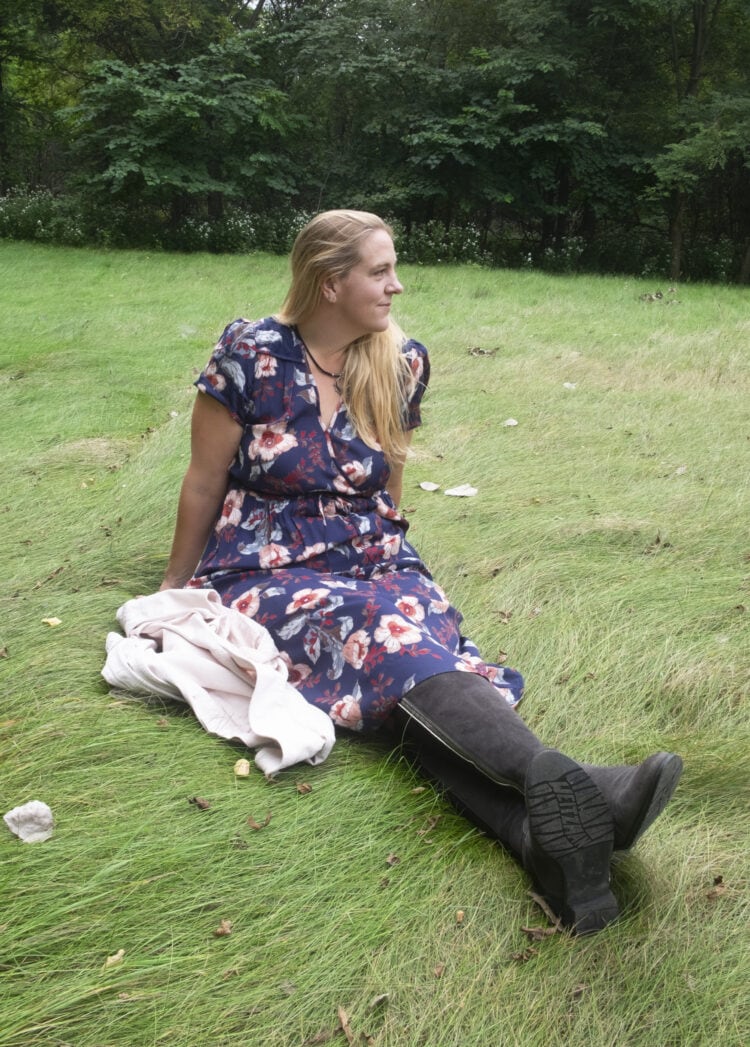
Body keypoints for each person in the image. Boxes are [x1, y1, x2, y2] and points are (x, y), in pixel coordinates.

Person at [161, 209, 682, 935]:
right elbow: (202, 479)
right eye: (380, 271)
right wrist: (174, 589)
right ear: (329, 280)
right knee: (381, 636)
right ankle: (587, 789)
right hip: (268, 561)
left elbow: (389, 488)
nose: (396, 285)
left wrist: (394, 564)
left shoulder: (401, 363)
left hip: (372, 552)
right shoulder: (251, 353)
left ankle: (539, 839)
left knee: (415, 653)